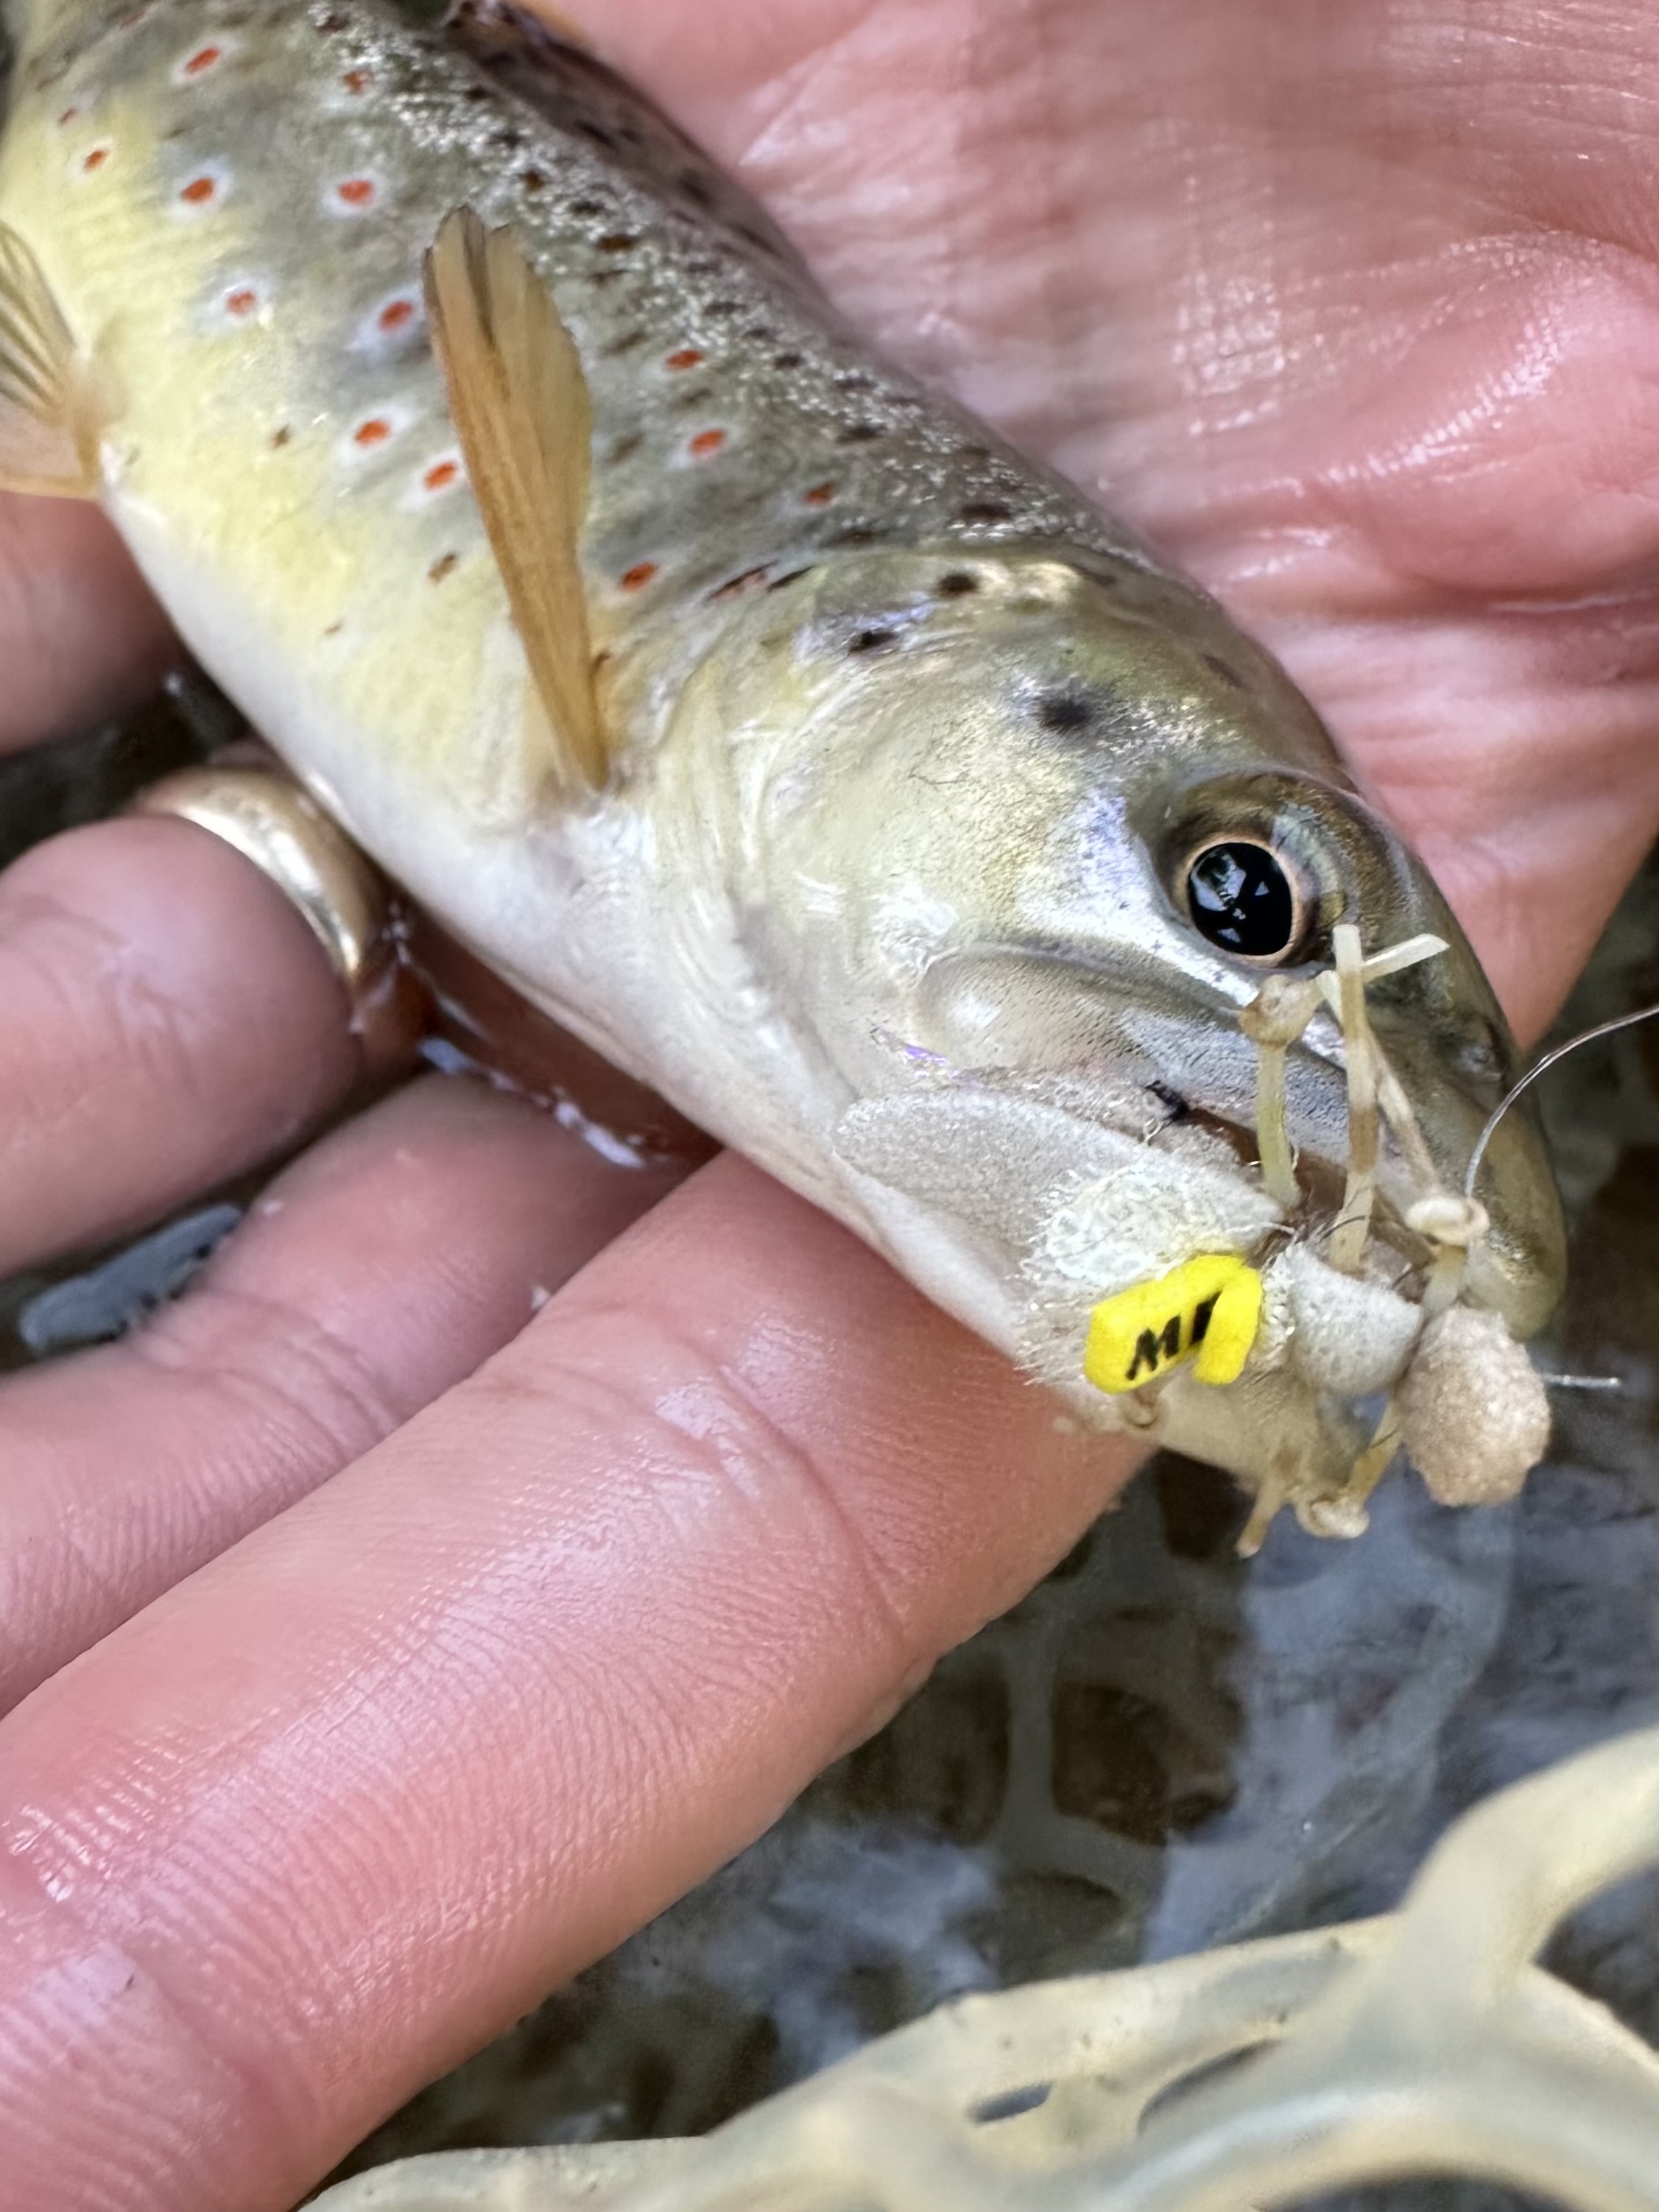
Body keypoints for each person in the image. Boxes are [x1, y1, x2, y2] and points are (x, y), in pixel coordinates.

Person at [1, 1, 1656, 2202]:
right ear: (907, 634)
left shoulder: (1168, 1256)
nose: (1343, 1207)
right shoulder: (658, 680)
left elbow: (1180, 1338)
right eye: (1236, 891)